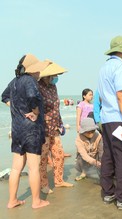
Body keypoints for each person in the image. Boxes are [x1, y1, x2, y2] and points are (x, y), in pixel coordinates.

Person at [1, 54, 51, 209]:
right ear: (32, 70)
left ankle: (12, 201)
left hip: (17, 128)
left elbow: (4, 96)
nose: (39, 73)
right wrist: (35, 112)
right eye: (38, 70)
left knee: (16, 168)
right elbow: (32, 97)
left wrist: (17, 109)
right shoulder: (29, 81)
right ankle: (36, 201)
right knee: (33, 167)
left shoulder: (14, 81)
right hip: (31, 129)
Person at [97, 35, 122, 210]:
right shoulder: (120, 67)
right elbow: (121, 96)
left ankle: (108, 192)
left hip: (106, 120)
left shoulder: (104, 67)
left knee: (108, 156)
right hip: (118, 118)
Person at [38, 62, 73, 194]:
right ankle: (43, 184)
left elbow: (56, 107)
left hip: (55, 127)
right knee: (43, 158)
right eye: (55, 75)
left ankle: (59, 181)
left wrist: (61, 123)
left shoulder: (53, 86)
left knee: (59, 154)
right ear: (48, 75)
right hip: (44, 128)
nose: (56, 77)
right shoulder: (38, 87)